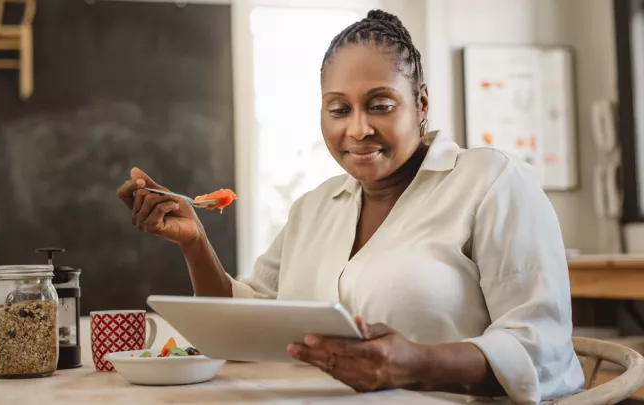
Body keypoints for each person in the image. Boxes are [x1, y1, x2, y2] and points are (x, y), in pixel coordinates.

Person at [117, 10, 583, 403]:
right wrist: (196, 242)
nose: (357, 129)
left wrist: (413, 364)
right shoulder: (313, 209)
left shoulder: (492, 181)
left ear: (420, 103)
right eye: (339, 109)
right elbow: (240, 332)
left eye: (379, 105)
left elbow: (542, 350)